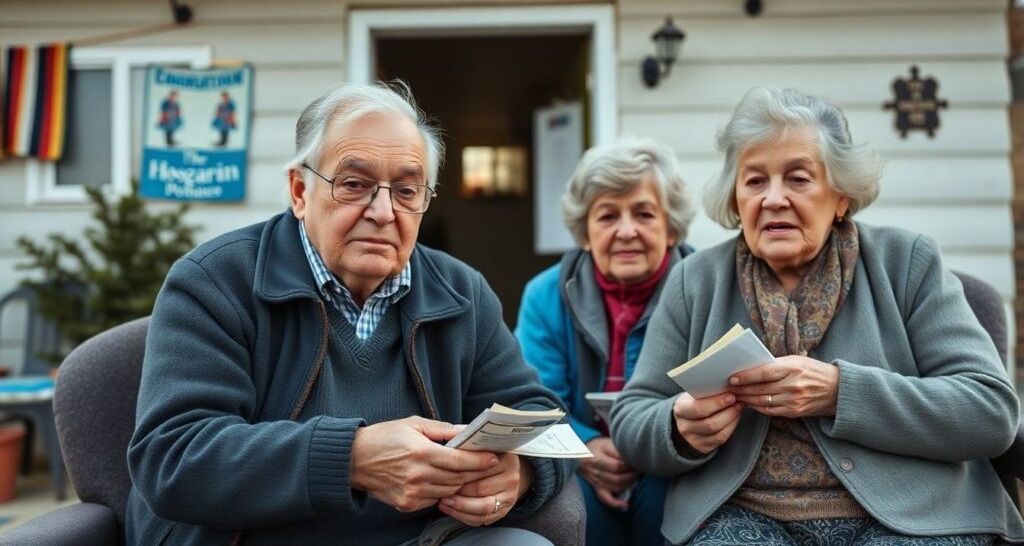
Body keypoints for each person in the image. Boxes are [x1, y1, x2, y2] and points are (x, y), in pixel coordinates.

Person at [127, 81, 571, 546]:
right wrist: (352, 458)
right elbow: (172, 458)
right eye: (354, 184)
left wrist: (518, 474)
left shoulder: (462, 292)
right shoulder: (214, 281)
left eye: (406, 191)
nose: (383, 211)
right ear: (299, 191)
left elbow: (544, 420)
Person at [611, 87, 1024, 546]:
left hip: (914, 516)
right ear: (735, 199)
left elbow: (990, 412)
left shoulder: (907, 262)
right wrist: (679, 427)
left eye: (798, 178)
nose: (773, 199)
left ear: (842, 195)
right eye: (754, 181)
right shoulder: (694, 281)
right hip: (743, 518)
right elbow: (632, 418)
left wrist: (840, 393)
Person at [516, 138, 695, 546]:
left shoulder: (703, 288)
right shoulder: (545, 295)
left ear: (670, 228)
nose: (626, 230)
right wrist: (585, 447)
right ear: (585, 232)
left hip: (673, 459)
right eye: (608, 215)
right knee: (576, 514)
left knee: (671, 505)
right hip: (577, 459)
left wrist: (656, 445)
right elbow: (531, 400)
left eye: (644, 214)